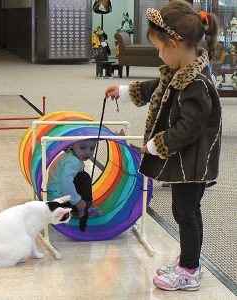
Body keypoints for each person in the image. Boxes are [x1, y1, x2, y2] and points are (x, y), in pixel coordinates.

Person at [105, 0, 221, 291]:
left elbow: (190, 128)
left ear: (175, 44)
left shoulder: (197, 84)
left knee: (185, 212)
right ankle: (189, 259)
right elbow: (157, 87)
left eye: (159, 47)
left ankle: (190, 270)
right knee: (187, 211)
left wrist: (158, 144)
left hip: (193, 164)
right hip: (187, 160)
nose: (158, 53)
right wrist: (124, 91)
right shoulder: (181, 71)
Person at [47, 140, 104, 220]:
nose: (87, 152)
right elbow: (66, 183)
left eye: (92, 148)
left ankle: (70, 210)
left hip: (54, 198)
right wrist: (77, 201)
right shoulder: (73, 161)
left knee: (79, 176)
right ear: (71, 145)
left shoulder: (68, 156)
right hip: (61, 200)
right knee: (84, 176)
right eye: (82, 147)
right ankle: (86, 209)